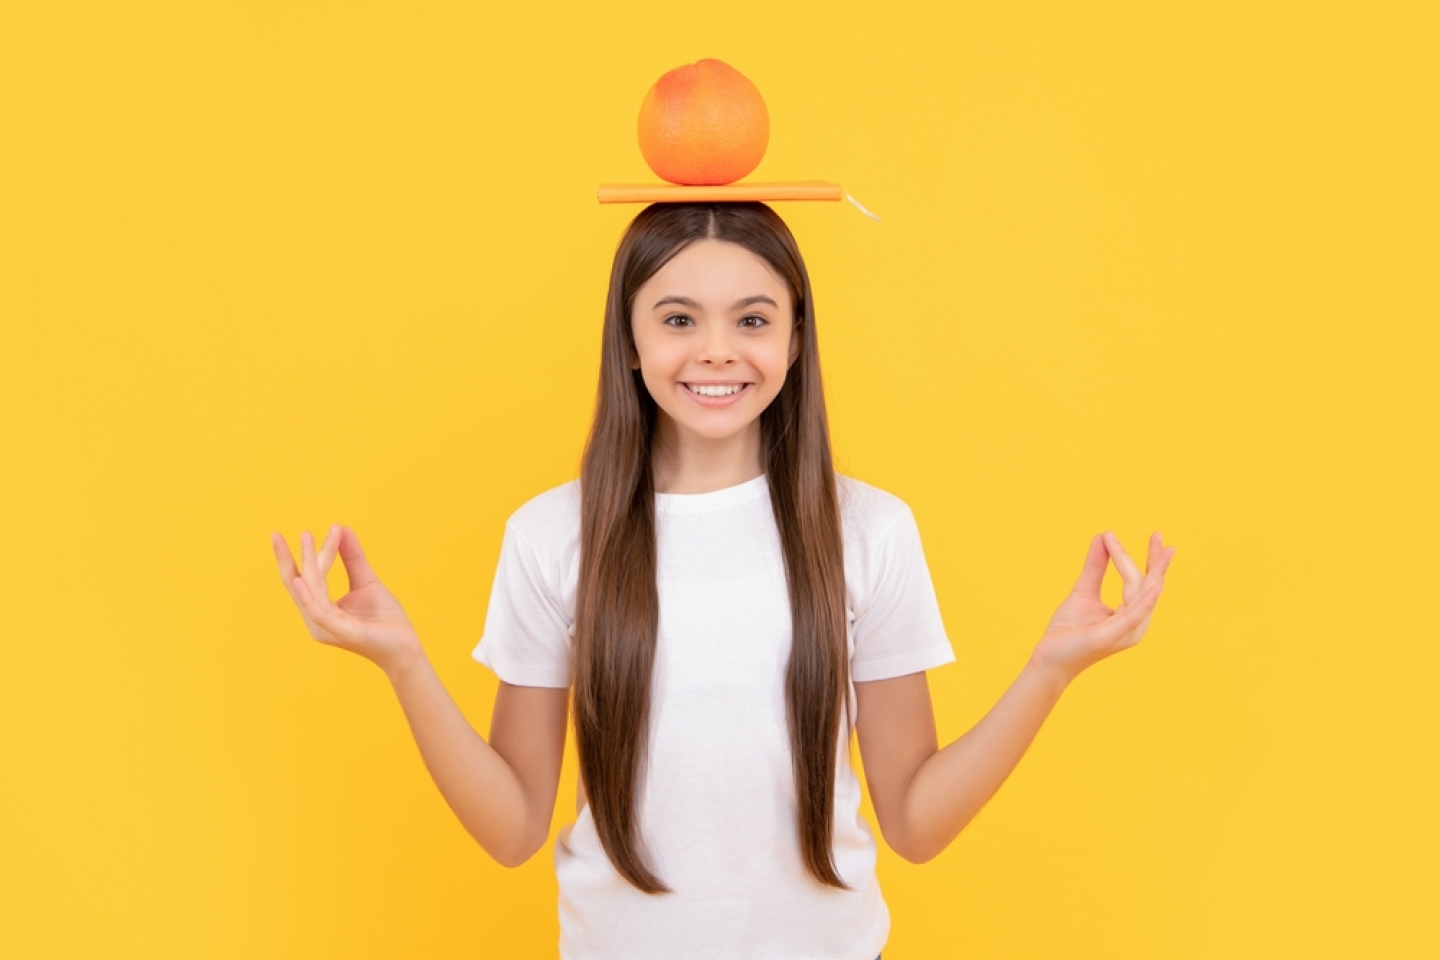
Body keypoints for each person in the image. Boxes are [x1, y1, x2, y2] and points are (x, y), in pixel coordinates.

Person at [271, 201, 1175, 960]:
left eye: (751, 318)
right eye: (677, 319)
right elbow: (512, 829)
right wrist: (403, 664)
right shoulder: (552, 536)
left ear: (793, 339)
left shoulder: (869, 531)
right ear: (628, 340)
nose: (716, 351)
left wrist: (1050, 670)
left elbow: (915, 823)